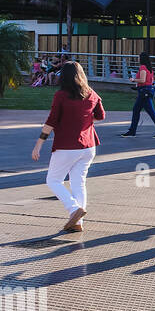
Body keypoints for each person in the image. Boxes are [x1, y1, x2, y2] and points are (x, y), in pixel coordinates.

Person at [31, 61, 105, 233]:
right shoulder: (91, 93)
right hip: (88, 146)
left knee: (53, 180)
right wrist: (83, 121)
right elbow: (101, 116)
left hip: (67, 146)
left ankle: (73, 209)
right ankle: (78, 223)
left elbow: (51, 121)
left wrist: (38, 144)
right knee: (78, 182)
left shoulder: (61, 96)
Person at [120, 52, 155, 138]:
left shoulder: (143, 67)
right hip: (147, 90)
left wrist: (133, 80)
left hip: (144, 91)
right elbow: (150, 80)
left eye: (139, 57)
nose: (138, 59)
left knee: (147, 111)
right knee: (139, 110)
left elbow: (142, 80)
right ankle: (133, 130)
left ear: (142, 58)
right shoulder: (150, 68)